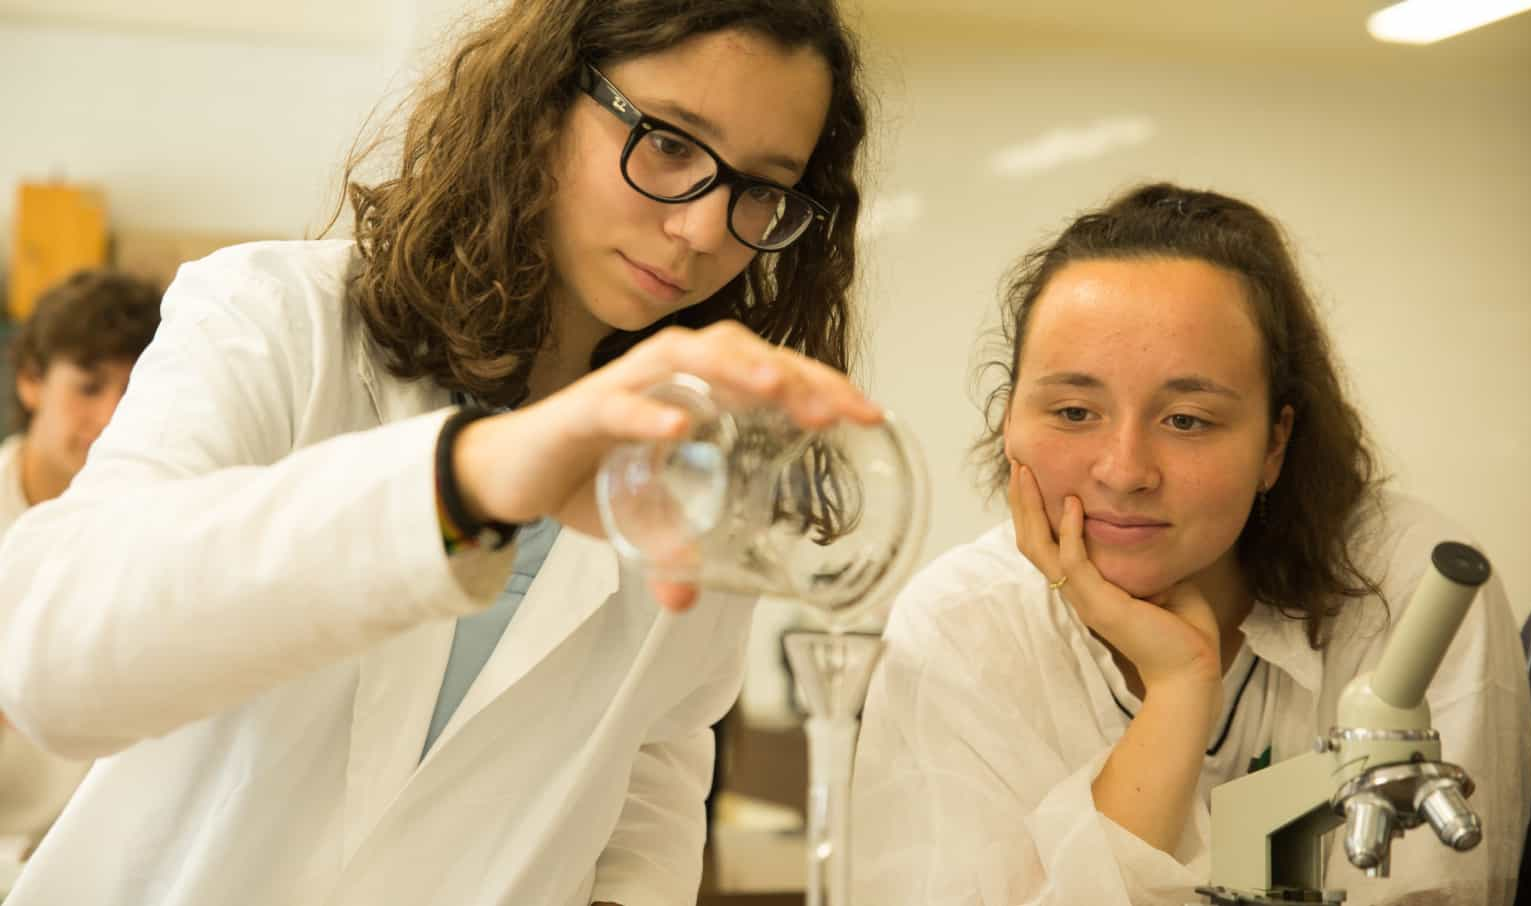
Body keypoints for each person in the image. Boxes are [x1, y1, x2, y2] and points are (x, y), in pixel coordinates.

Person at [0, 2, 877, 904]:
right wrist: (468, 483)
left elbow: (652, 749)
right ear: (540, 106)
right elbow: (48, 660)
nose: (704, 229)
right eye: (668, 144)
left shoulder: (699, 443)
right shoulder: (274, 320)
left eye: (763, 190)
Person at [852, 183, 1531, 905]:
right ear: (1008, 420)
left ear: (1275, 442)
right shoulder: (961, 626)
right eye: (1075, 411)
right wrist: (1179, 690)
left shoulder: (1413, 589)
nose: (1124, 471)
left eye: (1187, 420)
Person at [0, 268, 161, 887]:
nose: (113, 415)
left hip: (105, 860)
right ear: (32, 381)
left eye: (135, 389)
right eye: (89, 386)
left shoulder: (166, 524)